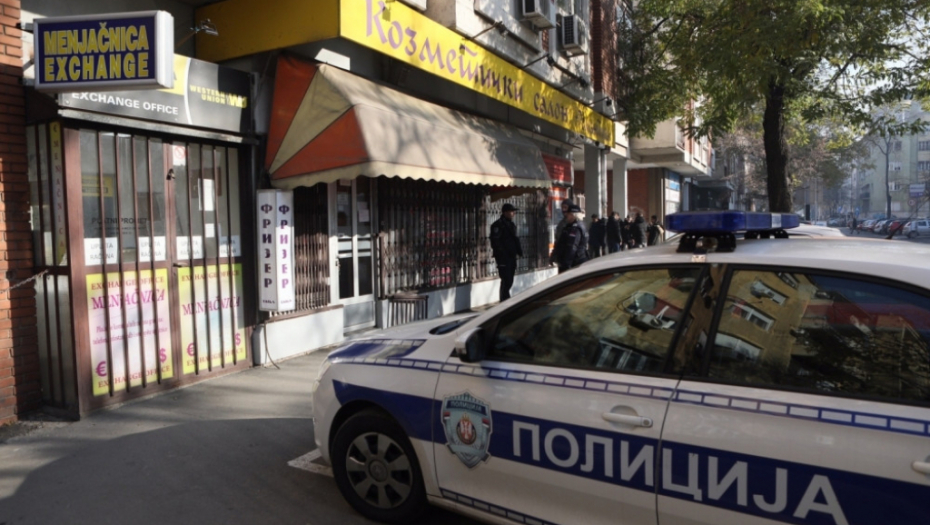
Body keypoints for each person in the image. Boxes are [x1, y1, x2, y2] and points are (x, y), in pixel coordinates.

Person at [490, 203, 523, 302]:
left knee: (510, 279)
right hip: (503, 258)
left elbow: (515, 239)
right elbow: (495, 242)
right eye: (511, 211)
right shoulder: (498, 225)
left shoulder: (511, 225)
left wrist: (519, 251)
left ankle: (506, 299)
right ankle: (504, 300)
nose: (513, 213)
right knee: (506, 279)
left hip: (511, 256)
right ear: (505, 212)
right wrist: (501, 254)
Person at [553, 204, 588, 273]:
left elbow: (572, 246)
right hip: (576, 260)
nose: (566, 216)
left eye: (568, 214)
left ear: (573, 215)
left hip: (575, 262)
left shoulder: (575, 228)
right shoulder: (574, 226)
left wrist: (567, 264)